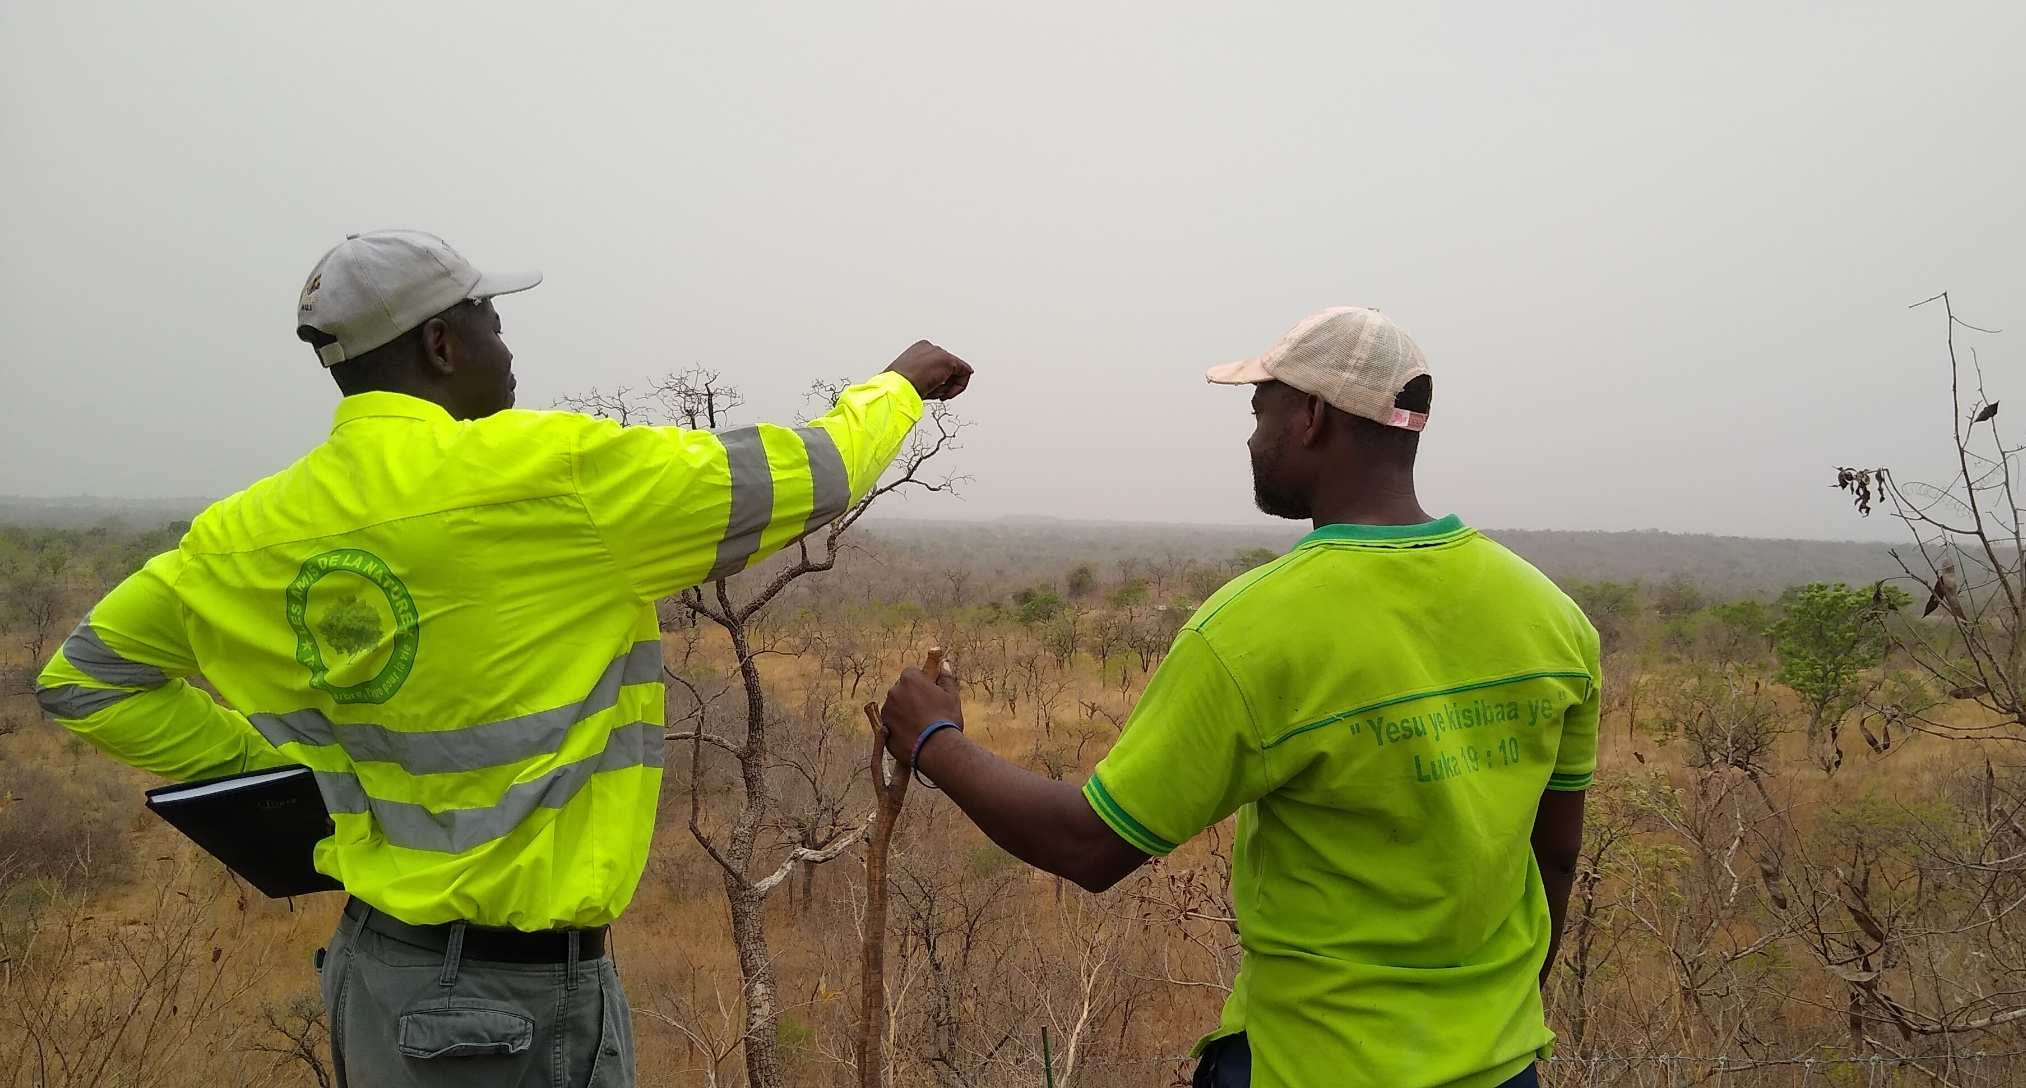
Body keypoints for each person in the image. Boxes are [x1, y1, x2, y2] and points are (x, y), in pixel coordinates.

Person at [34, 229, 973, 1087]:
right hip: (513, 1012)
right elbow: (815, 472)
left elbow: (82, 679)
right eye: (490, 317)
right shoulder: (549, 478)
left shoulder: (237, 537)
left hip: (372, 977)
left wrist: (279, 771)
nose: (507, 343)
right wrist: (898, 384)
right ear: (441, 345)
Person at [878, 306, 1598, 1088]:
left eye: (1261, 411)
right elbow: (1555, 853)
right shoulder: (1553, 617)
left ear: (1313, 416)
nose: (1252, 437)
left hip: (1309, 1064)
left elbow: (1090, 845)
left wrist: (935, 742)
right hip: (1504, 1063)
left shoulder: (1253, 630)